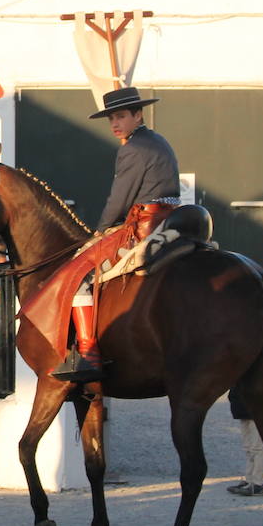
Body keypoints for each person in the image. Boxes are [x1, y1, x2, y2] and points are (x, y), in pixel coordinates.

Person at [52, 86, 179, 383]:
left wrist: (99, 230)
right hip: (171, 223)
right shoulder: (159, 141)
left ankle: (88, 352)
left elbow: (120, 199)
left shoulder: (132, 148)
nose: (115, 124)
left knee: (79, 274)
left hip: (144, 228)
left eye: (121, 116)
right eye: (111, 119)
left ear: (138, 115)